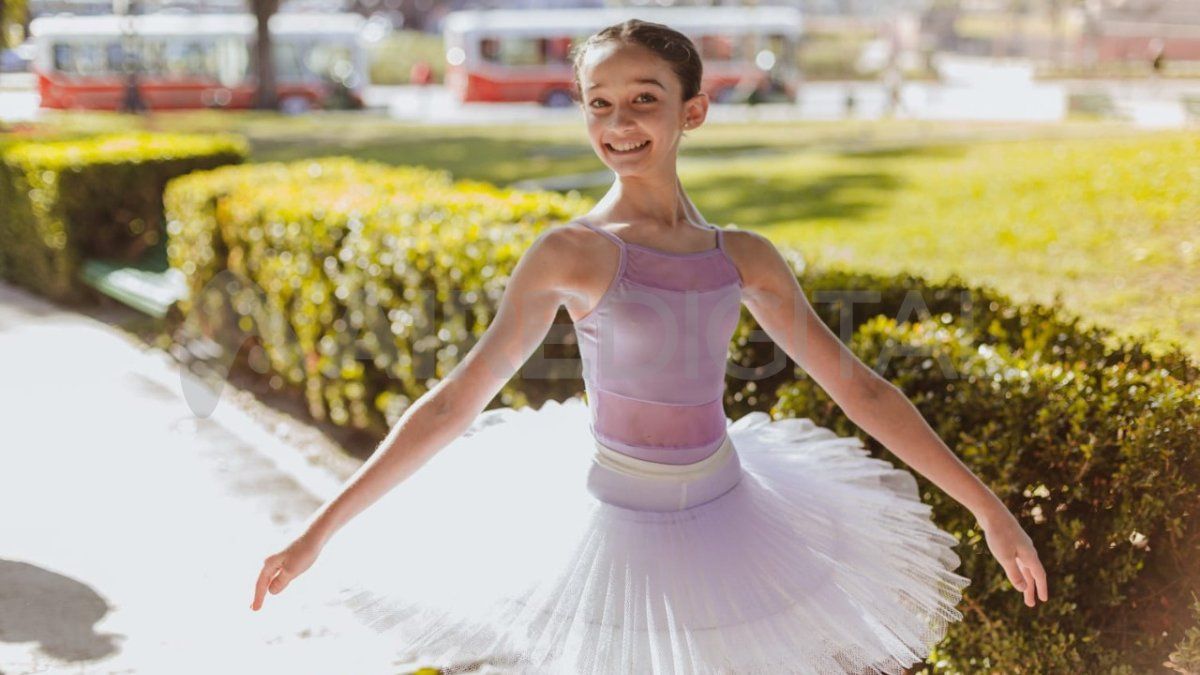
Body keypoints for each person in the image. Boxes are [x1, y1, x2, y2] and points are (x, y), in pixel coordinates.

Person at [251, 19, 1048, 674]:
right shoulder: (571, 252)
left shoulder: (744, 255)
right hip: (612, 527)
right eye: (600, 103)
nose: (620, 123)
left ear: (690, 112)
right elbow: (457, 400)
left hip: (733, 514)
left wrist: (990, 510)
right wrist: (318, 528)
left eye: (644, 99)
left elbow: (865, 392)